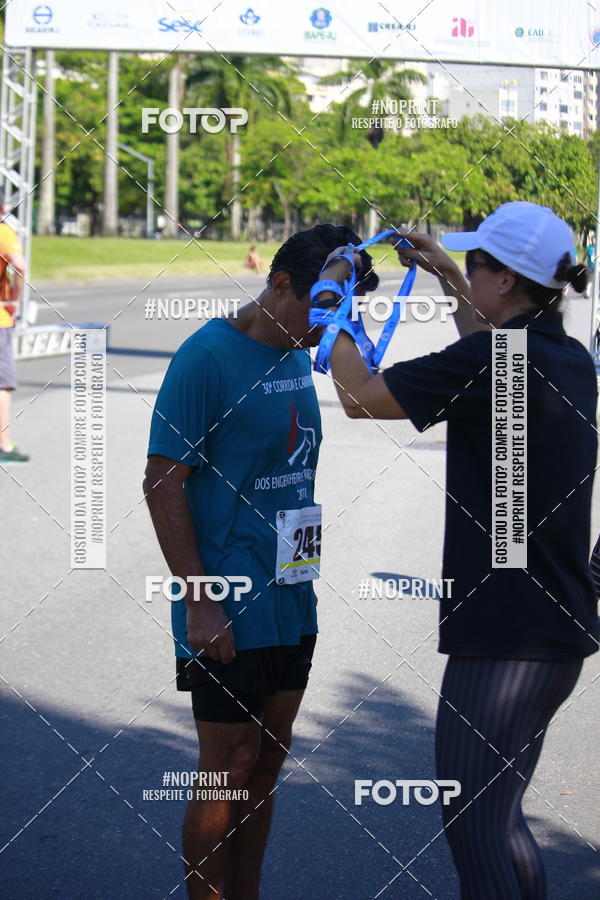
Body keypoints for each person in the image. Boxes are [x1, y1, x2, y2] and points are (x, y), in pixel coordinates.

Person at [315, 201, 598, 899]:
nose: (468, 271)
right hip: (551, 634)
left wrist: (330, 300)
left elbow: (359, 395)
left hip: (501, 642)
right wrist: (446, 272)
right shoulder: (565, 354)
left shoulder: (495, 360)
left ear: (504, 280)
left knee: (475, 831)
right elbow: (493, 346)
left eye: (477, 263)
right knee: (500, 825)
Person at [143, 224, 378, 900]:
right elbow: (163, 481)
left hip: (291, 598)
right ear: (279, 285)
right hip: (227, 602)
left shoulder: (303, 352)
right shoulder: (208, 357)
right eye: (321, 305)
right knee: (228, 764)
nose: (330, 322)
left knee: (268, 762)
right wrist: (199, 599)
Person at [0, 189, 28, 463]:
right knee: (2, 384)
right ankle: (3, 445)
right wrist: (13, 299)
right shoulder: (4, 232)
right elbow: (19, 266)